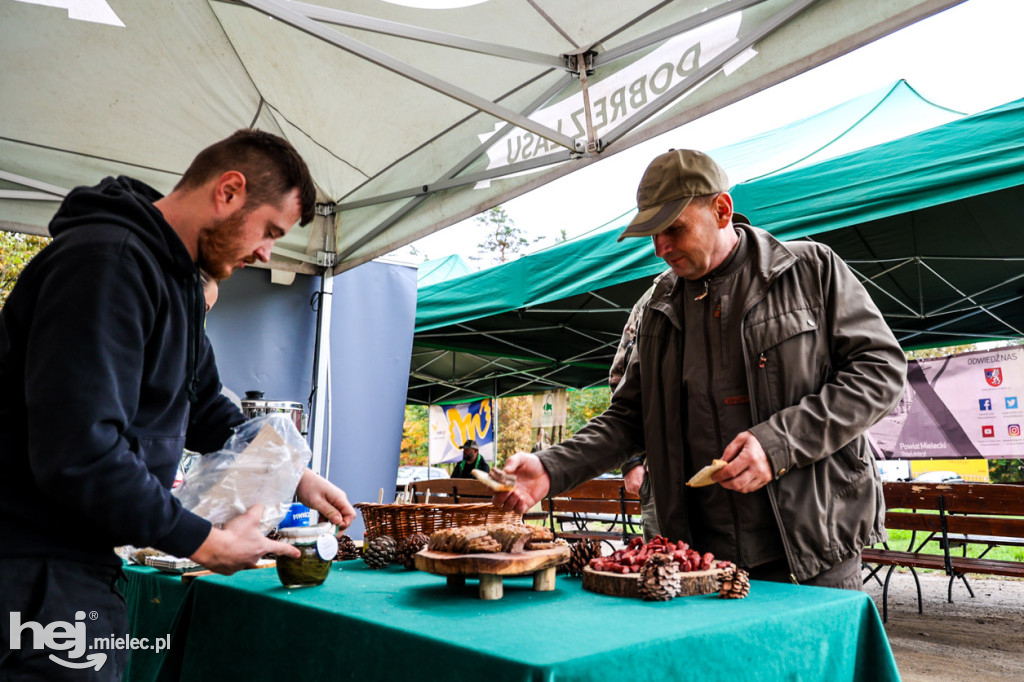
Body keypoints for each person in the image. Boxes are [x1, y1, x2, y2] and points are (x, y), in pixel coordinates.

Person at [0, 129, 356, 680]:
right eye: (270, 230)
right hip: (32, 568)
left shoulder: (177, 282)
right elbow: (80, 451)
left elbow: (205, 409)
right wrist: (204, 542)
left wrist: (293, 475)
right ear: (229, 191)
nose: (266, 251)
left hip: (75, 565)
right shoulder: (109, 263)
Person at [495, 149, 907, 590]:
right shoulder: (657, 308)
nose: (661, 248)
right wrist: (552, 467)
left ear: (722, 210)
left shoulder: (810, 270)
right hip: (696, 560)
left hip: (812, 550)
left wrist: (778, 444)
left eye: (674, 229)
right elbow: (630, 418)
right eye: (653, 234)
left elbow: (880, 371)